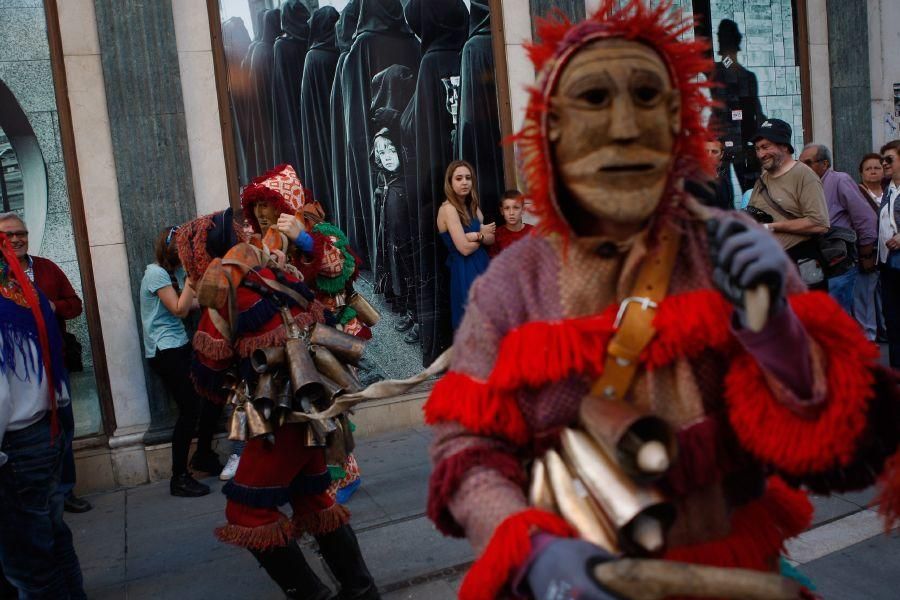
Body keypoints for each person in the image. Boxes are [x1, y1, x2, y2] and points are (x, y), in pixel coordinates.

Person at [424, 4, 900, 599]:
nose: (624, 124)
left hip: (737, 570)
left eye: (647, 97)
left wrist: (776, 333)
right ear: (554, 132)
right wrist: (532, 548)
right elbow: (465, 449)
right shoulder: (513, 282)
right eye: (594, 100)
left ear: (678, 124)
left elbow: (842, 448)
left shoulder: (732, 245)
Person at [177, 207, 379, 600]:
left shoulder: (223, 291)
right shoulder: (274, 272)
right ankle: (361, 591)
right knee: (314, 499)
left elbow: (210, 375)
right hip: (315, 407)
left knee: (246, 513)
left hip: (282, 415)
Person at [0, 231, 86, 599]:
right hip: (43, 427)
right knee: (51, 531)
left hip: (18, 444)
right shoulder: (25, 293)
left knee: (28, 562)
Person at [0, 212, 93, 515]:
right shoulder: (2, 278)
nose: (16, 239)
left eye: (20, 233)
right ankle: (43, 496)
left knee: (63, 430)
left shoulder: (47, 269)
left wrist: (53, 306)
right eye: (8, 235)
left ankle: (65, 492)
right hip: (19, 379)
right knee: (30, 437)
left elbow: (75, 305)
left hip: (54, 368)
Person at [140, 226, 220, 497]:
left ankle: (203, 456)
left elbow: (194, 303)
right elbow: (179, 308)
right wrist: (190, 281)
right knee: (189, 409)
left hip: (181, 345)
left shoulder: (175, 273)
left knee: (206, 397)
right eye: (183, 251)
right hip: (165, 351)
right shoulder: (156, 273)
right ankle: (179, 477)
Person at [747, 119, 830, 288]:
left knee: (808, 312)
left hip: (803, 261)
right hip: (772, 266)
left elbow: (820, 223)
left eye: (766, 147)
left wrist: (772, 227)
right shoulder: (762, 180)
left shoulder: (804, 176)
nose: (760, 154)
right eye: (757, 149)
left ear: (784, 146)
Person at [798, 144, 877, 315]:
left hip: (838, 259)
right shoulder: (803, 185)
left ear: (825, 164)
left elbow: (865, 219)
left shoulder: (839, 180)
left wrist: (866, 254)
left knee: (836, 314)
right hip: (813, 261)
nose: (803, 167)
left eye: (808, 162)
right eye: (800, 163)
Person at [436, 160, 494, 330]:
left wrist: (474, 236)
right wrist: (480, 235)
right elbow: (464, 249)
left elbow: (491, 238)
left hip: (484, 265)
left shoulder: (473, 205)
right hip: (464, 270)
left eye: (468, 178)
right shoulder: (448, 209)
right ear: (450, 182)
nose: (464, 182)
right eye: (459, 178)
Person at [856, 153, 887, 341]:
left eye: (877, 168)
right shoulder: (858, 192)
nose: (873, 171)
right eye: (868, 168)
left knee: (885, 294)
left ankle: (885, 329)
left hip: (887, 251)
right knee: (865, 295)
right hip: (868, 251)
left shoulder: (890, 192)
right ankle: (867, 336)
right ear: (861, 173)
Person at [877, 140, 900, 368]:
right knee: (892, 318)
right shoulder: (888, 190)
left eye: (889, 159)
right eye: (882, 159)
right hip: (888, 263)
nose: (884, 163)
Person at [487, 190, 534, 258]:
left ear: (523, 210)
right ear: (502, 211)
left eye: (516, 208)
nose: (511, 213)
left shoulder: (532, 232)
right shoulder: (497, 235)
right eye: (507, 208)